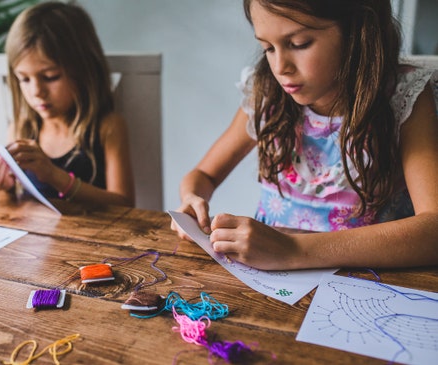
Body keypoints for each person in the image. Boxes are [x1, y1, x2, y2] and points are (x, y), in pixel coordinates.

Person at [172, 0, 438, 271]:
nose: (280, 67)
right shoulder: (266, 94)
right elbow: (204, 175)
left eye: (299, 43)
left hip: (367, 282)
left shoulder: (402, 96)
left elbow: (433, 230)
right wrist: (193, 198)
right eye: (268, 48)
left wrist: (293, 250)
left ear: (357, 32)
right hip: (269, 279)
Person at [0, 1, 135, 207]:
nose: (36, 92)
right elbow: (14, 206)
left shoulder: (108, 127)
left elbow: (125, 204)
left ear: (83, 71)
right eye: (24, 79)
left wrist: (54, 175)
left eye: (51, 77)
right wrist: (3, 186)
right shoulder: (21, 129)